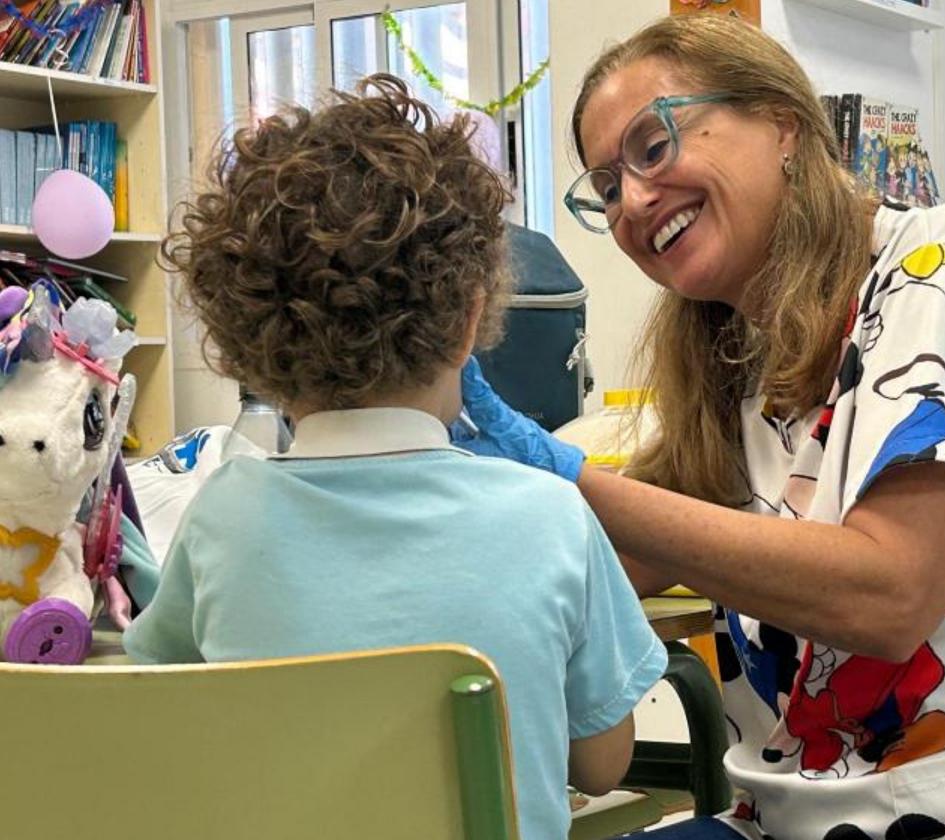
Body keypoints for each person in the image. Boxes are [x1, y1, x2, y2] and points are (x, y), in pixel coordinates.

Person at [452, 14, 945, 840]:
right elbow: (632, 551)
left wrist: (564, 476)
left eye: (652, 147)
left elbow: (889, 593)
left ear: (781, 124)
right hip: (802, 815)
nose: (631, 199)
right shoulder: (737, 368)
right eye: (604, 186)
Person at [124, 74, 666, 840]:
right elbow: (601, 765)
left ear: (248, 340)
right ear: (469, 315)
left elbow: (158, 704)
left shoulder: (225, 518)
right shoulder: (550, 516)